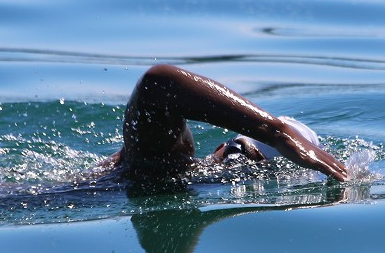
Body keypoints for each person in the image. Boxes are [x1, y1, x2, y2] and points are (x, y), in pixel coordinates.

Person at [86, 64, 349, 186]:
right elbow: (156, 83)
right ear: (223, 146)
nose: (240, 163)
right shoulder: (169, 157)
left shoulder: (186, 185)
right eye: (240, 151)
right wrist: (275, 133)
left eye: (256, 168)